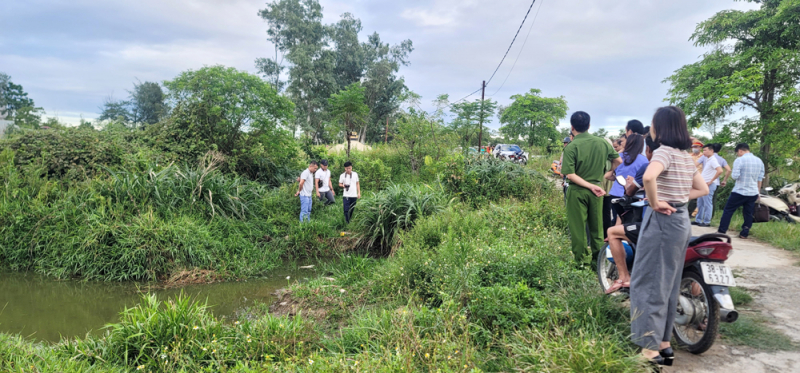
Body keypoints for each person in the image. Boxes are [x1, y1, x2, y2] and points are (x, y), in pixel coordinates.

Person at [630, 106, 709, 366]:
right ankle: (663, 343)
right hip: (681, 219)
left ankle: (650, 351)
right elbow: (703, 188)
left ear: (659, 127)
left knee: (650, 280)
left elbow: (650, 177)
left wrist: (655, 202)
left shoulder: (663, 152)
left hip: (662, 219)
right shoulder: (686, 156)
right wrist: (678, 198)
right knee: (669, 281)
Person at [561, 111, 621, 268]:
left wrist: (588, 185)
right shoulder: (602, 143)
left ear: (572, 127)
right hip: (598, 190)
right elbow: (618, 160)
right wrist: (606, 175)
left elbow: (570, 174)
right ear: (589, 125)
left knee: (578, 227)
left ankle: (580, 262)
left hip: (578, 191)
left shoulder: (571, 146)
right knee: (597, 227)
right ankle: (598, 261)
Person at [604, 135, 660, 294]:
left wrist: (655, 201)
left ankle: (624, 277)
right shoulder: (684, 164)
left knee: (614, 231)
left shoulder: (644, 165)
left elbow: (613, 177)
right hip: (678, 221)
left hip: (621, 196)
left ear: (649, 149)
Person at [717, 143, 765, 239]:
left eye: (737, 153)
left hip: (740, 190)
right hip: (753, 192)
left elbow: (735, 176)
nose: (738, 154)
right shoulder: (759, 161)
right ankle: (745, 233)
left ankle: (722, 231)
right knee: (748, 212)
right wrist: (758, 192)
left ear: (740, 151)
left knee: (728, 210)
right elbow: (760, 179)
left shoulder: (739, 160)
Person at [605, 134, 648, 224]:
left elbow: (608, 176)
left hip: (616, 193)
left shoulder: (618, 157)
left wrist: (618, 178)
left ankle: (614, 236)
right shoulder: (644, 160)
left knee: (618, 218)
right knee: (631, 221)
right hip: (634, 195)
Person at [693, 144, 723, 227]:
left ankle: (706, 221)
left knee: (707, 203)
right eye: (703, 150)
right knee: (700, 203)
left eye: (706, 150)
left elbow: (720, 170)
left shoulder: (713, 160)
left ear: (711, 151)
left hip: (709, 184)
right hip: (703, 184)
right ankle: (698, 220)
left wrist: (711, 180)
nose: (704, 152)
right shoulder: (708, 159)